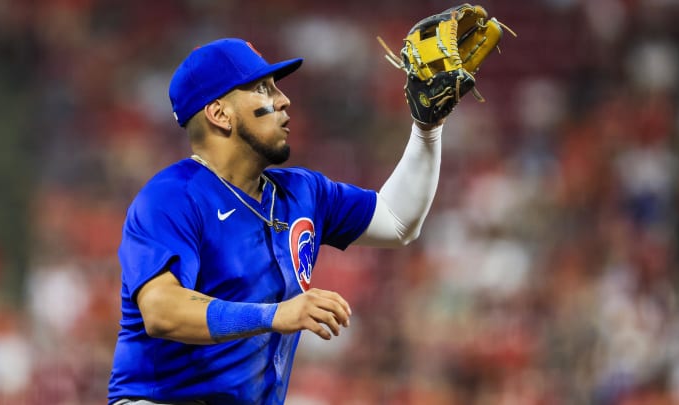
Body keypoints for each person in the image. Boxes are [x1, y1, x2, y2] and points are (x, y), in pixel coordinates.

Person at [107, 37, 447, 405]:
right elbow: (161, 311)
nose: (283, 101)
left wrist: (426, 129)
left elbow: (397, 221)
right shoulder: (172, 197)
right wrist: (276, 314)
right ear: (220, 114)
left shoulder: (302, 192)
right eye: (262, 89)